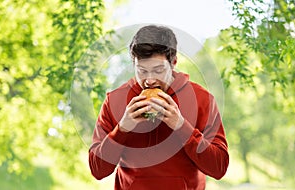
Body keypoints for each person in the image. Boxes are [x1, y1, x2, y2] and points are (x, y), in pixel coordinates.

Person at [89, 24, 229, 190]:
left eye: (158, 70)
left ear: (174, 62)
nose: (149, 80)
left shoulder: (202, 98)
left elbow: (219, 168)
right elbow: (97, 170)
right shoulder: (115, 100)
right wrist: (122, 129)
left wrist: (181, 126)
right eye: (142, 70)